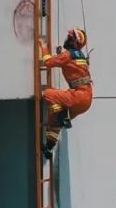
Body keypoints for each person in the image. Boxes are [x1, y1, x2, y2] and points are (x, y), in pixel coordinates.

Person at [37, 28, 93, 159]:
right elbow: (72, 66)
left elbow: (49, 62)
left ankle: (61, 116)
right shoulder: (80, 56)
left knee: (49, 94)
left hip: (79, 96)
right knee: (54, 121)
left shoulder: (68, 55)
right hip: (86, 99)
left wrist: (43, 46)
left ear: (75, 42)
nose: (67, 38)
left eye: (70, 37)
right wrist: (61, 56)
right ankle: (49, 147)